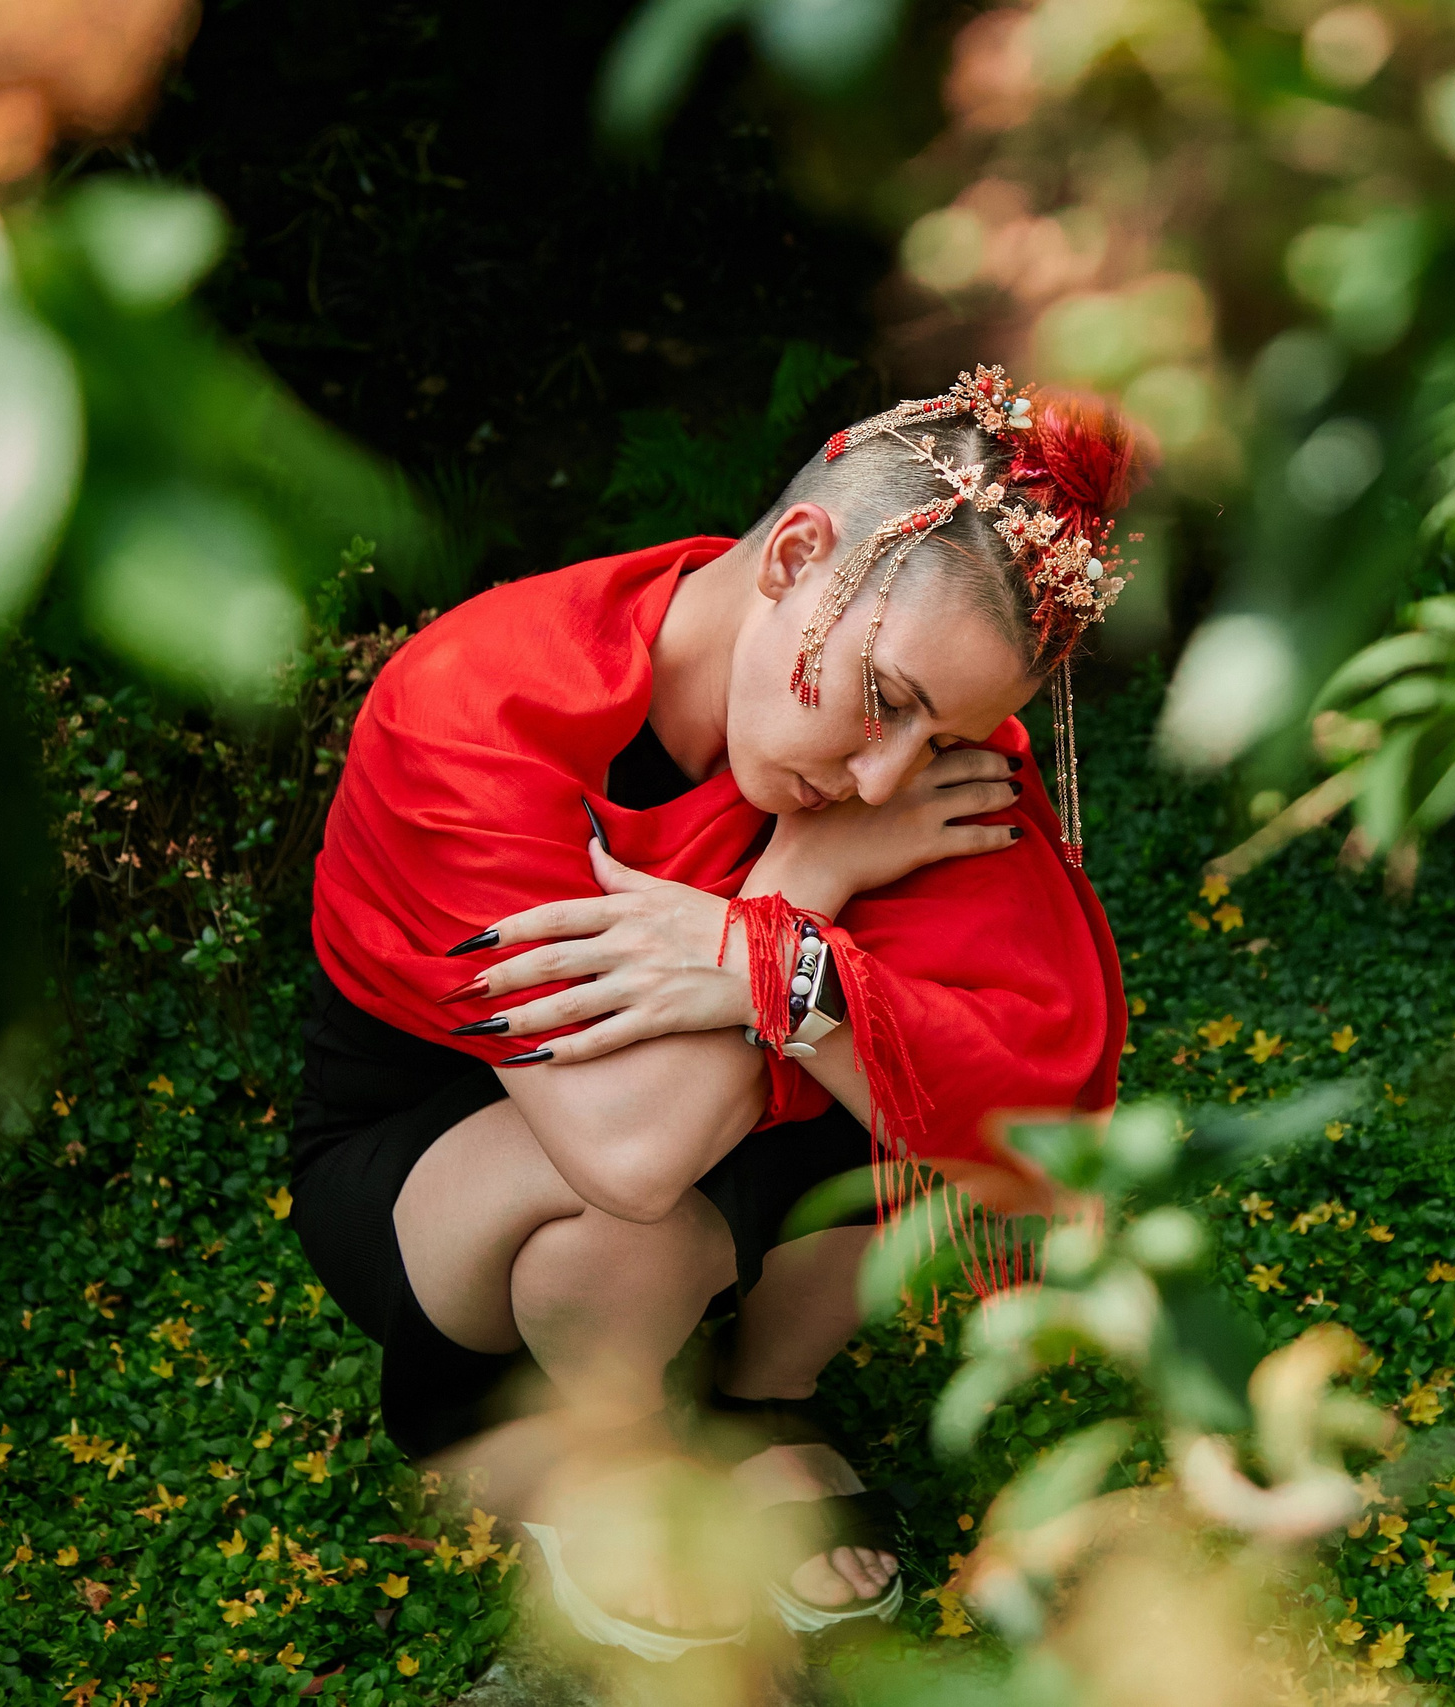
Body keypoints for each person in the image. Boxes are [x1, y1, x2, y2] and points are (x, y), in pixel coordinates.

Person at [287, 367, 1138, 1656]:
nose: (883, 781)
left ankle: (759, 1396)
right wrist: (800, 897)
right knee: (627, 1237)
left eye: (943, 737)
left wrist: (780, 974)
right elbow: (626, 1158)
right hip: (448, 1150)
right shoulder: (478, 706)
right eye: (888, 702)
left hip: (702, 1122)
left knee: (929, 1071)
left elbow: (1032, 1103)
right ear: (800, 556)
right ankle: (588, 1450)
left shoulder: (897, 758)